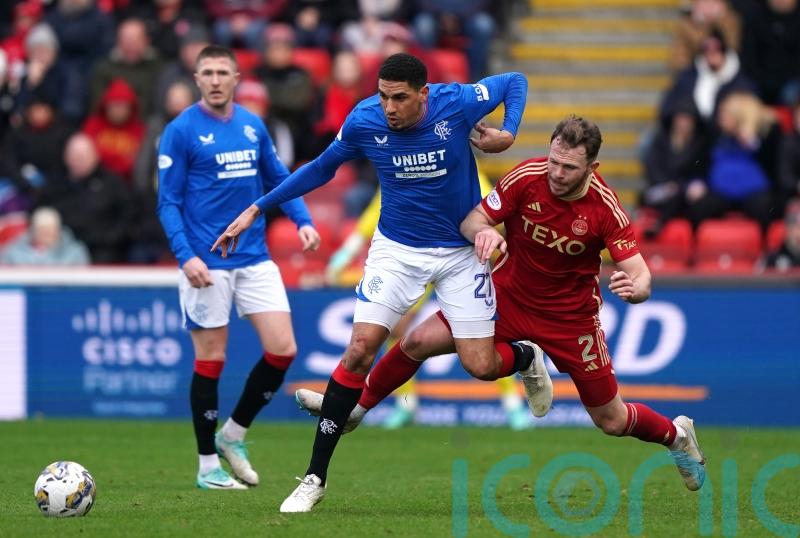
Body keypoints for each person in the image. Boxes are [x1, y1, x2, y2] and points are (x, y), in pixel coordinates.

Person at [211, 53, 551, 512]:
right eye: (383, 95)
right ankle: (314, 478)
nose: (389, 107)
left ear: (423, 95)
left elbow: (515, 79)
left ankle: (526, 357)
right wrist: (257, 208)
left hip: (460, 252)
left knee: (482, 366)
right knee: (360, 348)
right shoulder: (364, 120)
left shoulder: (457, 102)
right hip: (397, 252)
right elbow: (319, 168)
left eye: (400, 98)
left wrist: (508, 131)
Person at [299, 116, 708, 494]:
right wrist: (485, 235)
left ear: (592, 169)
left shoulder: (605, 209)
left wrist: (636, 289)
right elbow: (473, 219)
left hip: (570, 319)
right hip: (507, 297)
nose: (556, 173)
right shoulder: (527, 177)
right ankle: (358, 409)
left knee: (612, 420)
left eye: (569, 168)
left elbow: (640, 274)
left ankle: (677, 437)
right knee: (418, 340)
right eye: (553, 161)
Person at [156, 45, 321, 490]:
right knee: (211, 358)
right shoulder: (180, 131)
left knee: (283, 349)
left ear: (236, 78)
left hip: (254, 256)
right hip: (205, 261)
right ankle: (207, 465)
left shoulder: (251, 125)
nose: (214, 80)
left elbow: (279, 178)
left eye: (221, 72)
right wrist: (185, 255)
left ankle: (233, 435)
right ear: (196, 79)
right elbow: (167, 201)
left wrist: (303, 220)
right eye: (206, 72)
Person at [326, 171, 531, 431]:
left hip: (461, 262)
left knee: (482, 337)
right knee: (397, 329)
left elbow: (495, 214)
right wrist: (348, 250)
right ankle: (405, 404)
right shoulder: (410, 164)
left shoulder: (470, 173)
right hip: (418, 259)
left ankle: (511, 403)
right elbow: (377, 209)